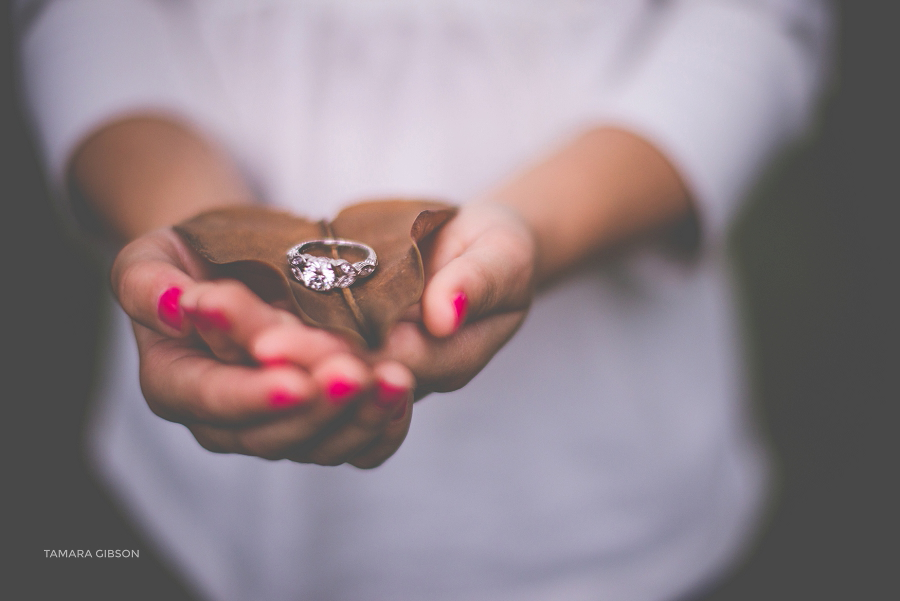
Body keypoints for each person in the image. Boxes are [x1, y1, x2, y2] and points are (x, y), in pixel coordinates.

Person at [16, 1, 833, 599]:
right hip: (195, 516)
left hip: (591, 495)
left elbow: (760, 20)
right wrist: (191, 219)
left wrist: (534, 230)